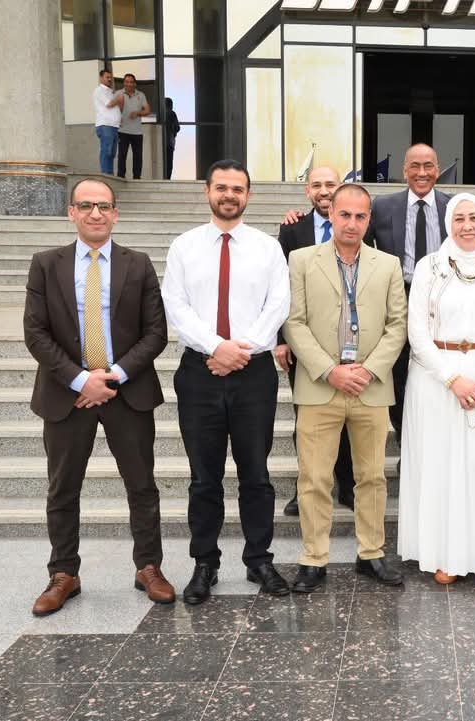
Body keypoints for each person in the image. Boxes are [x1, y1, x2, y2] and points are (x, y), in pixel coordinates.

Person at [24, 178, 174, 615]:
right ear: (71, 212)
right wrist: (80, 380)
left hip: (128, 391)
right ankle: (63, 573)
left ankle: (149, 567)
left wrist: (113, 376)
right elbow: (35, 332)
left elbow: (156, 332)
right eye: (86, 205)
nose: (96, 213)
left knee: (142, 485)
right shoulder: (46, 264)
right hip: (67, 395)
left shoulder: (138, 264)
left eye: (104, 206)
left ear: (115, 214)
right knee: (63, 487)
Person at [161, 159, 291, 605]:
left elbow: (278, 305)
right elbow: (176, 306)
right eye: (222, 187)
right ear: (208, 192)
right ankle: (205, 563)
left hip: (253, 374)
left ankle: (259, 559)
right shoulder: (184, 247)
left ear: (248, 195)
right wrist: (217, 347)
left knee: (256, 474)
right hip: (200, 373)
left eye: (238, 189)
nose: (229, 195)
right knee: (204, 477)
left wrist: (239, 352)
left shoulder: (267, 248)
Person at [398, 192, 475, 599]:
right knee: (444, 467)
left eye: (474, 218)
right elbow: (417, 332)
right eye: (459, 219)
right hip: (437, 381)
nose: (468, 226)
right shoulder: (429, 267)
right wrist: (453, 379)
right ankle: (447, 555)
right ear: (448, 223)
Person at [285, 183, 407, 592]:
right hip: (320, 386)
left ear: (369, 220)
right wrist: (329, 370)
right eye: (344, 215)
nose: (352, 223)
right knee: (314, 478)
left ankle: (370, 553)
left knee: (371, 476)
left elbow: (398, 325)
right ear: (331, 215)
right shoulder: (302, 260)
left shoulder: (388, 265)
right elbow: (294, 322)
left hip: (369, 388)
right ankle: (313, 558)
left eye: (360, 216)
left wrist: (368, 371)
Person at [277, 166, 355, 517]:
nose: (324, 190)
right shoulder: (292, 229)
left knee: (349, 417)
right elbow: (281, 288)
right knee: (307, 420)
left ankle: (348, 485)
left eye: (331, 184)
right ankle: (306, 487)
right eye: (317, 185)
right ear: (307, 191)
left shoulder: (357, 225)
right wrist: (282, 339)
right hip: (304, 341)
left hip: (350, 337)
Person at [365, 143, 451, 446]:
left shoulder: (453, 207)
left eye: (428, 166)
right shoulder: (382, 206)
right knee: (399, 376)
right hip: (398, 300)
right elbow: (359, 247)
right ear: (404, 171)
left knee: (440, 373)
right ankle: (407, 443)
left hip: (443, 303)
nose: (421, 172)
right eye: (415, 166)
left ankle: (438, 445)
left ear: (438, 170)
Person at [116, 73, 150, 179]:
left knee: (138, 157)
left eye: (131, 82)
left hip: (137, 132)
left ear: (135, 84)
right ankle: (121, 177)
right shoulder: (118, 93)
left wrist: (138, 113)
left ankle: (137, 178)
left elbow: (147, 110)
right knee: (122, 156)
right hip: (122, 130)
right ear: (124, 83)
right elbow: (111, 108)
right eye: (127, 82)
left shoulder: (141, 95)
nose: (129, 84)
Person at [93, 69, 122, 175]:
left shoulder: (110, 91)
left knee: (112, 153)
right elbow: (109, 104)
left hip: (113, 126)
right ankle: (106, 174)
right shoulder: (99, 90)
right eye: (107, 77)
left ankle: (109, 174)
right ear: (101, 78)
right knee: (106, 151)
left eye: (110, 77)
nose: (109, 79)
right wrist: (119, 98)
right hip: (105, 125)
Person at [164, 97, 180, 180]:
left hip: (161, 142)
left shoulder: (161, 114)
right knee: (169, 163)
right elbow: (177, 127)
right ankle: (167, 179)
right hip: (169, 142)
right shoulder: (172, 113)